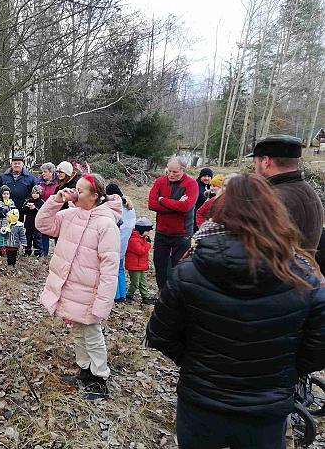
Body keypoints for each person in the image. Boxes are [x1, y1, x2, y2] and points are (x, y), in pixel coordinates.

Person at [146, 174, 325, 449]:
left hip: (202, 401)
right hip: (266, 407)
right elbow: (317, 349)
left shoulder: (188, 269)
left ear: (222, 212)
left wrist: (197, 364)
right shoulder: (305, 277)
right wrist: (282, 372)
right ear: (275, 213)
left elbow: (160, 335)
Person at [36, 174, 121, 400]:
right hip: (70, 289)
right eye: (75, 188)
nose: (75, 192)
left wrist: (102, 303)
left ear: (94, 196)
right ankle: (84, 370)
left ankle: (100, 378)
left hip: (90, 293)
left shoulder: (106, 224)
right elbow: (42, 224)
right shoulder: (70, 215)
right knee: (77, 332)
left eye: (81, 190)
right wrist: (56, 200)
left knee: (92, 334)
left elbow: (109, 268)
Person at [251, 134, 323, 252]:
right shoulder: (310, 193)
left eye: (255, 163)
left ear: (266, 161)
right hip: (304, 268)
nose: (255, 169)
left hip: (277, 269)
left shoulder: (272, 198)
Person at [148, 157, 198, 292]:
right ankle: (162, 292)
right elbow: (151, 204)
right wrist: (175, 204)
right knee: (160, 264)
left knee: (179, 266)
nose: (171, 174)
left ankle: (176, 294)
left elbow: (186, 207)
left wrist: (162, 200)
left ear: (183, 170)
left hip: (182, 233)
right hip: (162, 231)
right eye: (169, 171)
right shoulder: (160, 181)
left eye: (175, 172)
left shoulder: (191, 184)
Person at [107, 184, 136, 302]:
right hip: (124, 244)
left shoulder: (114, 208)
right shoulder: (130, 207)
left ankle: (115, 295)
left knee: (112, 270)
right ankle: (122, 294)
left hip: (114, 243)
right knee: (120, 269)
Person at [125, 217, 153, 303]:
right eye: (147, 231)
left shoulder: (141, 238)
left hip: (140, 265)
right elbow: (141, 251)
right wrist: (148, 244)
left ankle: (145, 296)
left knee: (143, 282)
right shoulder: (134, 240)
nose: (148, 233)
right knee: (135, 283)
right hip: (134, 266)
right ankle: (129, 295)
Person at [36, 162, 58, 256]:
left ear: (51, 172)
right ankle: (44, 252)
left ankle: (58, 252)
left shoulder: (57, 183)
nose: (43, 174)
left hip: (55, 211)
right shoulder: (39, 182)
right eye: (42, 172)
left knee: (57, 232)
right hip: (43, 210)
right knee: (43, 231)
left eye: (45, 172)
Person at [22, 185, 44, 256]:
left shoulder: (41, 202)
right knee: (28, 238)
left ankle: (38, 252)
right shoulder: (28, 201)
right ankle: (27, 251)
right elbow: (23, 211)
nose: (34, 195)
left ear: (39, 194)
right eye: (33, 193)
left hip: (37, 224)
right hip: (28, 224)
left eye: (36, 193)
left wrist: (34, 208)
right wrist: (27, 207)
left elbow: (42, 213)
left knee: (37, 239)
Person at [0, 185, 16, 255]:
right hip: (1, 223)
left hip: (9, 223)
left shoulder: (12, 202)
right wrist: (5, 211)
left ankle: (8, 248)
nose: (6, 195)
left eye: (7, 194)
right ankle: (0, 249)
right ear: (1, 194)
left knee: (9, 235)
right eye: (4, 194)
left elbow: (15, 212)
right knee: (2, 235)